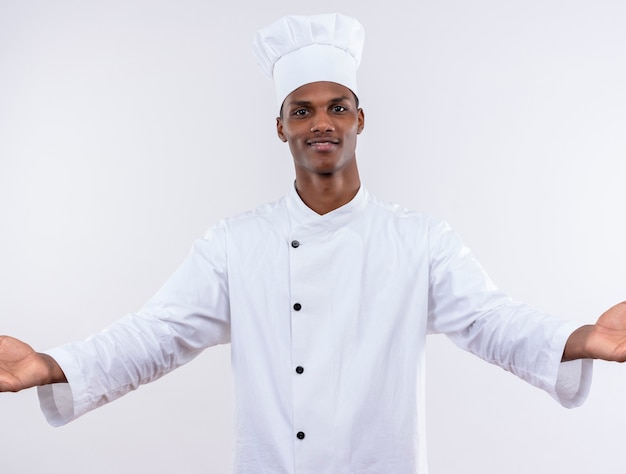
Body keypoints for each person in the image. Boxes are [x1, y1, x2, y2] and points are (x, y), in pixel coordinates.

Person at [1, 12, 626, 474]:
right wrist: (48, 366)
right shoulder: (236, 244)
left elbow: (492, 320)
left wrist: (581, 338)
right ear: (280, 127)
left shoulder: (419, 241)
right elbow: (157, 333)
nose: (321, 122)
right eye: (302, 110)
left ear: (360, 119)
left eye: (337, 107)